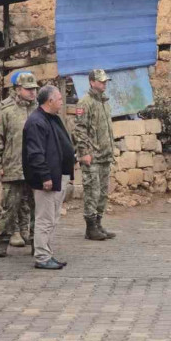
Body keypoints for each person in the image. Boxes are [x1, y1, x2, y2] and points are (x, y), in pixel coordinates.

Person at [23, 85, 75, 270]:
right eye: (59, 98)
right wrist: (45, 176)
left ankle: (48, 253)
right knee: (45, 219)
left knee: (52, 218)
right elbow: (35, 153)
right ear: (49, 101)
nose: (62, 101)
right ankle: (42, 257)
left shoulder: (52, 118)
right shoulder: (36, 122)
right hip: (48, 179)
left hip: (58, 175)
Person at [0, 71, 38, 258]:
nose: (32, 92)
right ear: (18, 89)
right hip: (13, 166)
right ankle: (2, 242)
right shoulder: (4, 109)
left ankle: (36, 242)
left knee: (36, 208)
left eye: (34, 89)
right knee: (10, 206)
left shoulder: (38, 108)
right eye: (28, 89)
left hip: (35, 168)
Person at [73, 69, 116, 241]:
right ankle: (90, 227)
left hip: (104, 155)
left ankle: (98, 223)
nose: (104, 83)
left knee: (103, 192)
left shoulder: (104, 102)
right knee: (92, 192)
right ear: (92, 82)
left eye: (105, 81)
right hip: (92, 156)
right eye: (101, 81)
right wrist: (84, 153)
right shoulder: (85, 103)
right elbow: (80, 130)